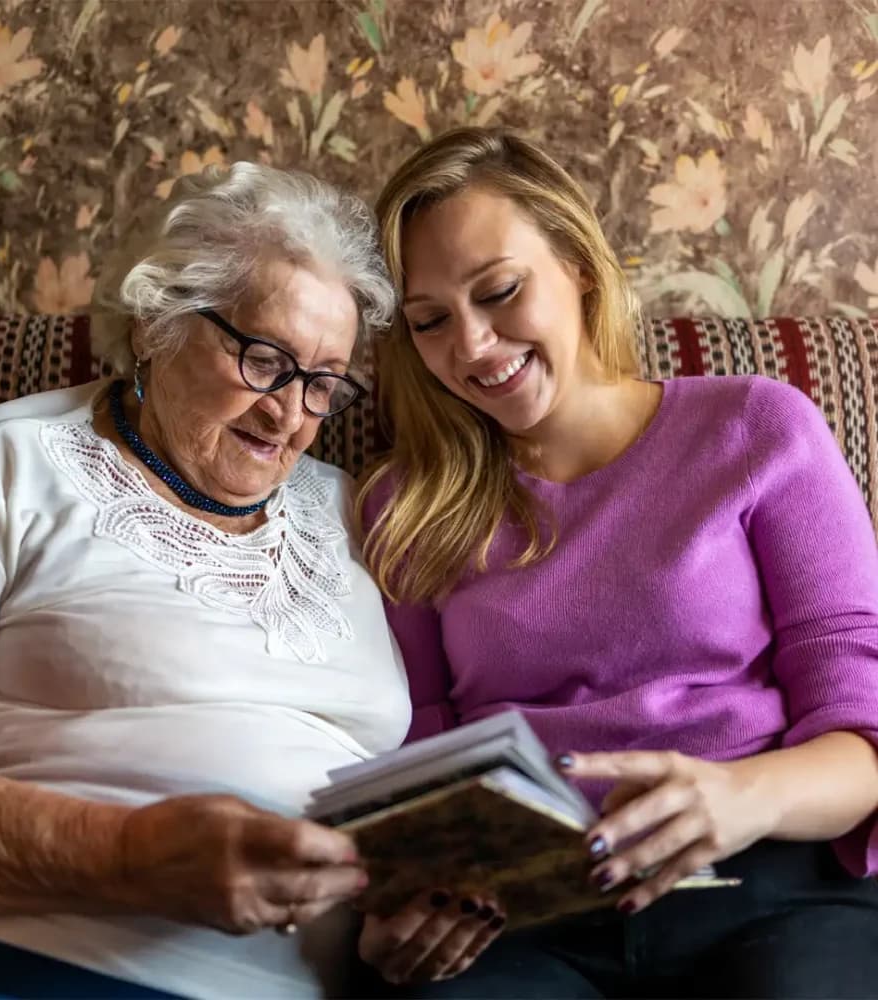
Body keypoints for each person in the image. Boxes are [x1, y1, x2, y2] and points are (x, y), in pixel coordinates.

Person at [354, 127, 878, 998]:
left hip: (772, 880)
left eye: (500, 291)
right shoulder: (404, 506)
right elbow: (414, 749)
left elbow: (863, 730)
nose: (475, 345)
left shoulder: (758, 427)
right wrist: (401, 903)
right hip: (523, 920)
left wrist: (742, 797)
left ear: (580, 265)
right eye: (431, 321)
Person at [0, 162, 416, 999]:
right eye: (265, 359)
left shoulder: (353, 512)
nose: (289, 414)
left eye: (322, 384)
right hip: (11, 962)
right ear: (155, 323)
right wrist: (130, 859)